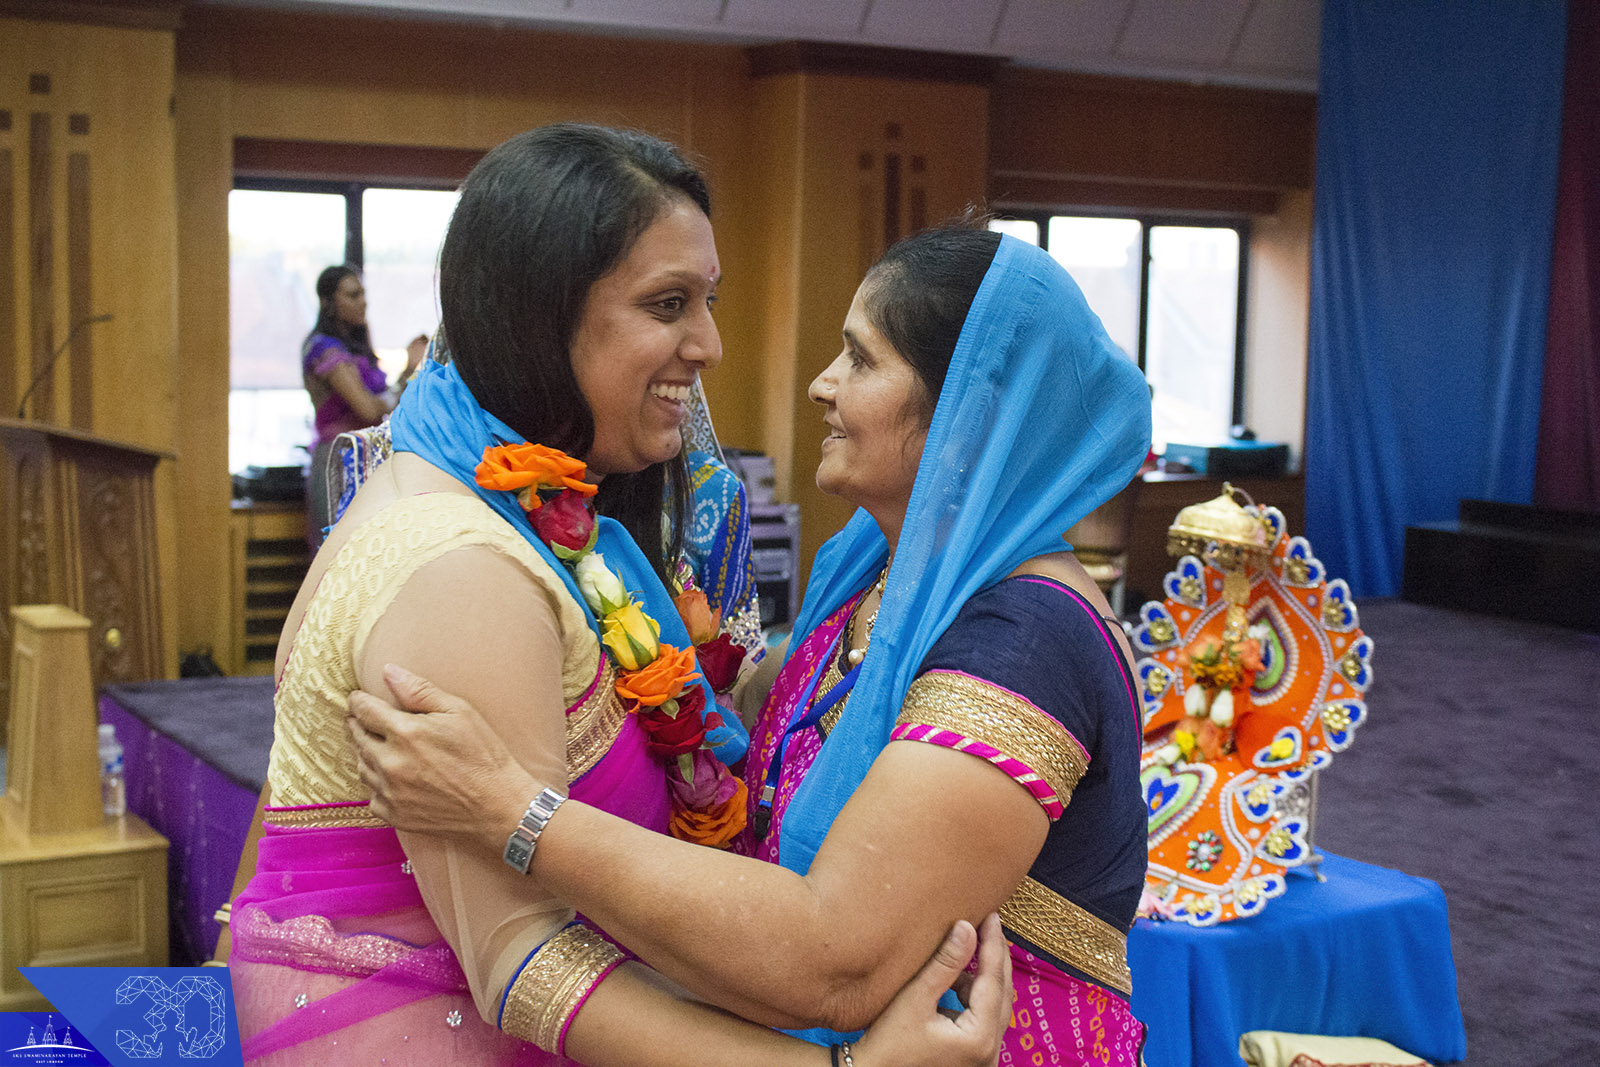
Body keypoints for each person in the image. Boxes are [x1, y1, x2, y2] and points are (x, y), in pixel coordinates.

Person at [227, 124, 1010, 1067]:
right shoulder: (461, 567)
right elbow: (520, 959)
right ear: (537, 314)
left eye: (708, 301)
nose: (710, 345)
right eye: (667, 303)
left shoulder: (514, 509)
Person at [349, 225, 1156, 1064]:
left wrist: (509, 811)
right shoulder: (875, 580)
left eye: (861, 359)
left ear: (971, 410)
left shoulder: (1026, 635)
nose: (821, 384)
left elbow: (837, 957)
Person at [301, 264, 428, 549]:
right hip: (338, 459)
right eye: (352, 295)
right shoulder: (324, 348)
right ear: (327, 302)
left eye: (363, 294)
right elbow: (369, 410)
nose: (363, 302)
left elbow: (384, 402)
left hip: (368, 456)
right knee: (337, 558)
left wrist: (409, 368)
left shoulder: (354, 348)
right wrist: (402, 379)